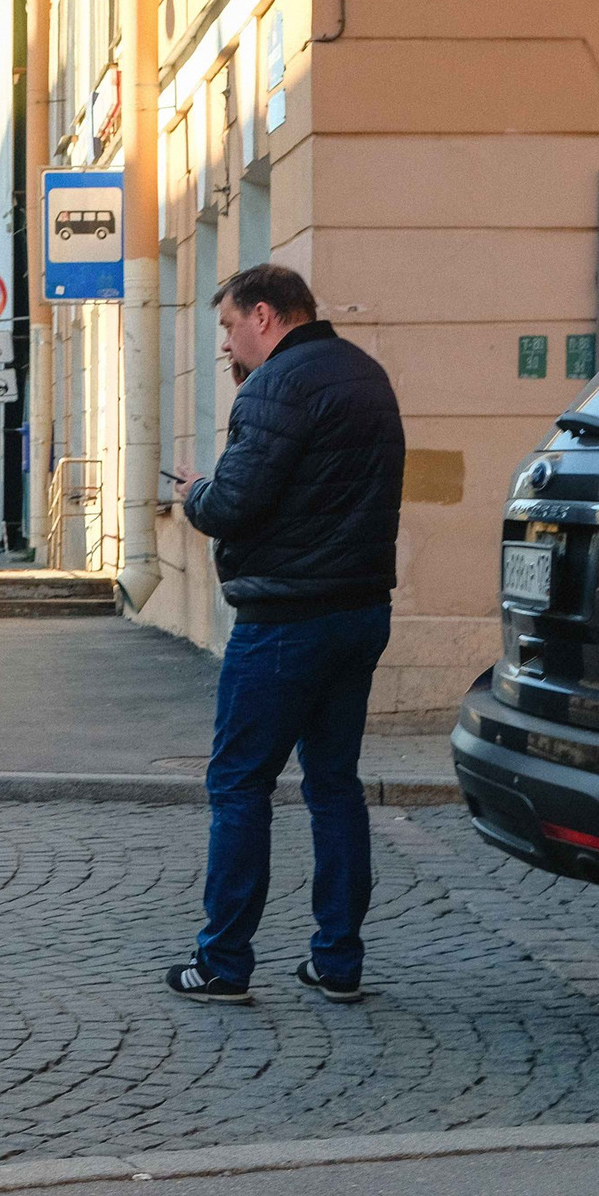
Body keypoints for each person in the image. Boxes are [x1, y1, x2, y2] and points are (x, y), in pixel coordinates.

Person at [164, 262, 404, 1007]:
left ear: (264, 315)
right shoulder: (366, 374)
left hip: (284, 621)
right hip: (360, 610)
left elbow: (235, 502)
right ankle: (338, 960)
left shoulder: (276, 385)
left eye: (230, 327)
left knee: (239, 784)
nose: (228, 345)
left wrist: (193, 493)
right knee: (334, 785)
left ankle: (224, 963)